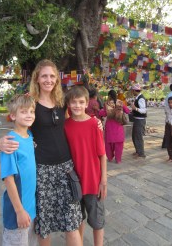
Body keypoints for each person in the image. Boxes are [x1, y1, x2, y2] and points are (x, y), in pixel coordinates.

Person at [0, 59, 83, 246]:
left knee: (72, 221)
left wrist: (96, 122)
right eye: (44, 76)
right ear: (37, 78)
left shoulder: (62, 101)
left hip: (66, 169)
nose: (48, 80)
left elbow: (75, 121)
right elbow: (16, 125)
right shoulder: (31, 104)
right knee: (45, 224)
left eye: (52, 76)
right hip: (42, 170)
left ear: (57, 79)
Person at [64, 86, 107, 246]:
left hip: (93, 180)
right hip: (73, 181)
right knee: (78, 219)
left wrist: (103, 180)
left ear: (87, 102)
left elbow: (102, 155)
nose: (77, 105)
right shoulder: (65, 125)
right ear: (68, 103)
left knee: (97, 221)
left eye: (81, 102)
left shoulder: (94, 124)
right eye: (73, 102)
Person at [0, 94, 38, 246]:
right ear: (13, 115)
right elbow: (9, 179)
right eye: (23, 111)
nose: (29, 115)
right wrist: (19, 211)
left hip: (31, 208)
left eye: (31, 111)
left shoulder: (29, 135)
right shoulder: (10, 142)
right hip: (17, 210)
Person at [99, 90, 130, 163]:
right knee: (119, 143)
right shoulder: (120, 102)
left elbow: (103, 113)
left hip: (110, 126)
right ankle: (118, 159)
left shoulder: (107, 103)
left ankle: (110, 158)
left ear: (109, 96)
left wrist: (99, 111)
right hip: (119, 126)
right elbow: (127, 111)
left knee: (108, 143)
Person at [130, 83, 147, 158]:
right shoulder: (137, 98)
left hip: (140, 120)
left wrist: (135, 108)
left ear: (134, 90)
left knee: (138, 136)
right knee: (134, 136)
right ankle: (138, 150)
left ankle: (141, 153)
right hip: (137, 119)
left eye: (132, 91)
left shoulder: (141, 98)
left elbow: (144, 110)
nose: (132, 92)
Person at [162, 84, 172, 149]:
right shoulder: (169, 96)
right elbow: (167, 107)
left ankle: (165, 145)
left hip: (168, 118)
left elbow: (166, 107)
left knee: (168, 135)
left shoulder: (168, 95)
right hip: (170, 118)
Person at [164, 96, 172, 162]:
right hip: (168, 125)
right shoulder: (167, 108)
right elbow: (167, 117)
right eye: (169, 102)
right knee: (168, 140)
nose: (170, 104)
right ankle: (170, 156)